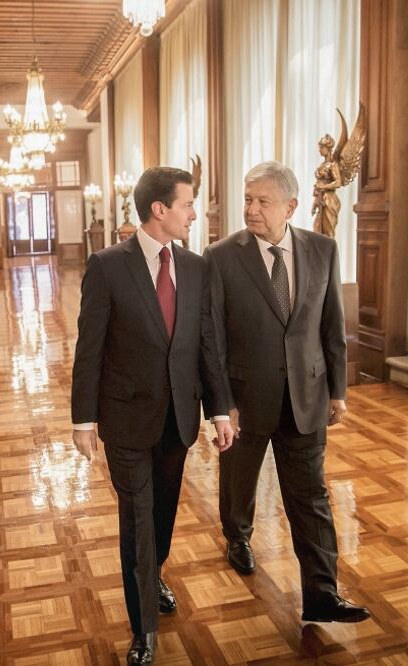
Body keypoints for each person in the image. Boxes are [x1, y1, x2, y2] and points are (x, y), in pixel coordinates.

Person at [71, 167, 235, 664]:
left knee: (161, 514)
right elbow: (89, 347)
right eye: (187, 204)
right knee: (138, 520)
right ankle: (143, 631)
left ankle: (153, 575)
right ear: (159, 210)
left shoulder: (196, 266)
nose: (194, 213)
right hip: (125, 420)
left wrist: (220, 409)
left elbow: (207, 343)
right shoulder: (107, 266)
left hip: (178, 419)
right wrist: (82, 419)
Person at [203, 161, 370, 624]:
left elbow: (331, 326)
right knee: (239, 484)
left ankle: (322, 594)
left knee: (311, 497)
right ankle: (237, 536)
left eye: (263, 201)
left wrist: (338, 389)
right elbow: (211, 338)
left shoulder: (322, 250)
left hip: (307, 397)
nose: (251, 210)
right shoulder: (219, 256)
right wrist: (221, 406)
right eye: (247, 199)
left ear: (291, 206)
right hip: (244, 400)